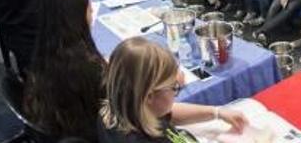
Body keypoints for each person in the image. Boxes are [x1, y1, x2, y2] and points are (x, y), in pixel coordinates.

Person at [98, 37, 247, 142]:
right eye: (174, 88)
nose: (176, 93)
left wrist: (216, 112)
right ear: (149, 96)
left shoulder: (126, 107)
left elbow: (167, 112)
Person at [24, 0, 105, 141]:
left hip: (59, 127)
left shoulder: (44, 52)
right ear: (78, 17)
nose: (92, 11)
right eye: (89, 8)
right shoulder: (87, 67)